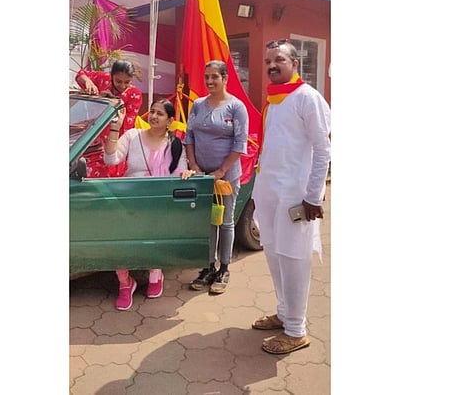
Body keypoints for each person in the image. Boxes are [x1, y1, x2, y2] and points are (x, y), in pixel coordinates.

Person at [250, 39, 331, 355]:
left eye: (279, 59)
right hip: (270, 193)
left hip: (296, 197)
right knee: (275, 255)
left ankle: (296, 330)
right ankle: (285, 313)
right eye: (268, 60)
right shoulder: (274, 100)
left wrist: (314, 196)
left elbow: (324, 150)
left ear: (294, 63)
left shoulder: (307, 98)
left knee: (295, 259)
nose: (271, 65)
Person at [103, 99, 191, 310]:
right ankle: (125, 283)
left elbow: (180, 171)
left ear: (170, 120)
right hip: (130, 198)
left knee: (154, 237)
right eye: (151, 112)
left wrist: (187, 173)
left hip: (158, 201)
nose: (153, 116)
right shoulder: (133, 136)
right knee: (121, 239)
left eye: (159, 114)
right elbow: (111, 159)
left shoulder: (175, 144)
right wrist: (115, 127)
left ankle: (155, 272)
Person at [184, 60, 249, 294]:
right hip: (202, 177)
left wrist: (221, 171)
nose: (210, 81)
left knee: (225, 221)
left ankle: (224, 268)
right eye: (207, 77)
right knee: (208, 221)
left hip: (225, 178)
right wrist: (193, 165)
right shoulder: (198, 105)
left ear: (225, 78)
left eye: (215, 77)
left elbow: (240, 144)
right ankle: (208, 267)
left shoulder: (236, 107)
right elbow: (189, 136)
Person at [75, 60, 142, 177]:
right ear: (111, 76)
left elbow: (126, 127)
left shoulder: (134, 94)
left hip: (113, 143)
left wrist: (112, 102)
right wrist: (88, 82)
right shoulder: (103, 79)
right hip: (91, 139)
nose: (122, 86)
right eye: (118, 81)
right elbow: (80, 74)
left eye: (127, 82)